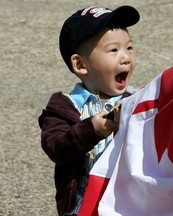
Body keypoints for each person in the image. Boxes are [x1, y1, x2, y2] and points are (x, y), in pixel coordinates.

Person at [38, 5, 140, 216]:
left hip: (126, 203)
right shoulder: (65, 105)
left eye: (129, 47)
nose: (126, 58)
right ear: (81, 64)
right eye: (114, 50)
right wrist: (92, 129)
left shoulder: (135, 100)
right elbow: (55, 147)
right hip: (82, 205)